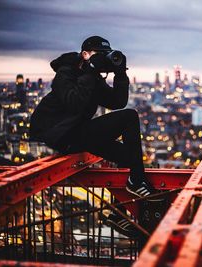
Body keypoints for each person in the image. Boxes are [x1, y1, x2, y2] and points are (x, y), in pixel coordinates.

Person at [30, 36, 161, 235]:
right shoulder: (65, 75)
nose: (102, 59)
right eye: (98, 55)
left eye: (104, 55)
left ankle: (118, 213)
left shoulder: (92, 78)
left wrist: (120, 73)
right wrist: (91, 71)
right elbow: (74, 103)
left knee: (128, 156)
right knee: (130, 117)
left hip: (78, 133)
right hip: (61, 137)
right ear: (85, 55)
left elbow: (117, 102)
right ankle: (136, 181)